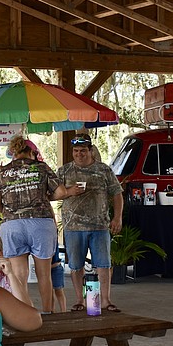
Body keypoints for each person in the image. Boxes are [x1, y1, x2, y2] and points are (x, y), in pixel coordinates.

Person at [0, 136, 80, 313]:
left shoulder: (1, 172)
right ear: (32, 152)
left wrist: (11, 211)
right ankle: (47, 312)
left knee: (18, 275)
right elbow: (61, 192)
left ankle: (24, 313)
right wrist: (43, 198)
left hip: (12, 224)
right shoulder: (41, 168)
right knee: (44, 274)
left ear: (13, 153)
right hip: (41, 223)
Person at [57, 133, 123, 313]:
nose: (79, 154)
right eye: (76, 151)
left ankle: (105, 300)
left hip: (100, 226)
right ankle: (81, 300)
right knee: (76, 266)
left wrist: (118, 217)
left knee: (104, 265)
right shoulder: (64, 171)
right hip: (73, 227)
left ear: (91, 150)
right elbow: (52, 194)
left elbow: (117, 193)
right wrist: (69, 192)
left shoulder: (103, 170)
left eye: (83, 151)